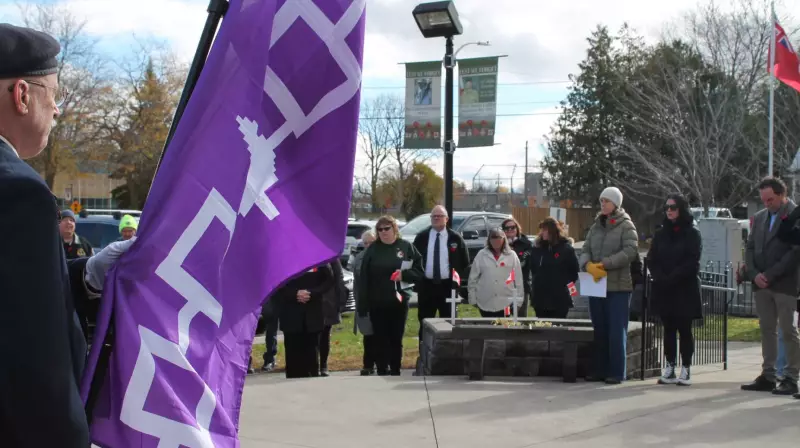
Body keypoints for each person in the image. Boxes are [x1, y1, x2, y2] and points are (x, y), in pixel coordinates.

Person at [0, 23, 134, 447]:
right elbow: (34, 356)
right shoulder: (17, 190)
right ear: (22, 95)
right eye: (53, 94)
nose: (57, 110)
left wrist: (85, 274)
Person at [741, 177, 800, 397]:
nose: (767, 204)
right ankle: (769, 375)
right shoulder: (759, 217)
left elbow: (794, 252)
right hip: (761, 285)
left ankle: (791, 377)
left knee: (788, 331)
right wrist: (754, 274)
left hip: (785, 284)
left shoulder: (794, 214)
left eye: (771, 199)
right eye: (764, 200)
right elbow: (749, 248)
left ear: (782, 194)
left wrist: (770, 274)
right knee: (767, 330)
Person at [579, 187, 639, 384]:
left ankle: (616, 371)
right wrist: (587, 264)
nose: (603, 204)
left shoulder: (626, 225)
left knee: (616, 331)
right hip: (596, 283)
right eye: (601, 201)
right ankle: (599, 369)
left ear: (616, 204)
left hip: (617, 287)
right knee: (600, 329)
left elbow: (630, 250)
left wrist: (606, 263)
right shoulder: (596, 226)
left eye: (606, 201)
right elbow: (586, 248)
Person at [647, 194, 702, 386]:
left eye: (673, 207)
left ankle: (686, 367)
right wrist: (660, 276)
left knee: (684, 329)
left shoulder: (692, 233)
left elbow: (692, 261)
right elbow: (652, 258)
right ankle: (669, 366)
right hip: (664, 288)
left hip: (684, 288)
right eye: (667, 208)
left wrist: (674, 276)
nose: (669, 211)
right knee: (668, 329)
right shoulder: (661, 233)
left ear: (681, 209)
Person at [358, 216, 424, 375]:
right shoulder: (373, 250)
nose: (383, 232)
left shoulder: (405, 247)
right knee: (380, 336)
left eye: (386, 228)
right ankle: (382, 368)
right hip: (377, 301)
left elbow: (419, 271)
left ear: (394, 229)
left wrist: (404, 275)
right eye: (380, 229)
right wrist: (363, 303)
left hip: (399, 300)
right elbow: (364, 277)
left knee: (396, 336)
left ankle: (395, 368)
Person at [412, 205, 470, 338]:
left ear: (446, 219)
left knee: (449, 323)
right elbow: (412, 260)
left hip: (447, 287)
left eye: (440, 216)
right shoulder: (422, 237)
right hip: (426, 287)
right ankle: (424, 349)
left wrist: (456, 281)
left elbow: (464, 262)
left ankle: (448, 350)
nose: (436, 218)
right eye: (434, 216)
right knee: (425, 323)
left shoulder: (455, 238)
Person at [275, 263, 335, 378]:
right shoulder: (283, 259)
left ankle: (312, 373)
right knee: (293, 347)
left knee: (312, 346)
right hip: (290, 311)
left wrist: (312, 293)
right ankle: (294, 374)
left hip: (313, 310)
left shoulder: (319, 258)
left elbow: (329, 280)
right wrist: (295, 294)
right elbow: (277, 283)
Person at [467, 227, 524, 318]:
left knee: (504, 325)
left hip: (506, 302)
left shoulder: (512, 255)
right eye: (493, 238)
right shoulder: (481, 254)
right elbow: (472, 279)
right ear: (489, 240)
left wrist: (519, 301)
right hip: (485, 302)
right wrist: (472, 298)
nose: (496, 241)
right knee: (487, 326)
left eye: (499, 237)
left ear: (504, 239)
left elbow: (518, 280)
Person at [530, 217, 579, 319]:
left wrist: (565, 286)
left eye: (545, 230)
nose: (542, 233)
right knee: (542, 327)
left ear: (552, 231)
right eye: (541, 230)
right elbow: (533, 269)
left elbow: (574, 272)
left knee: (558, 327)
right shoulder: (537, 248)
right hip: (540, 298)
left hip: (560, 298)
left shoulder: (566, 250)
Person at [349, 229, 378, 375]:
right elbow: (356, 284)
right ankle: (368, 365)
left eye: (371, 242)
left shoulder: (382, 257)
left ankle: (383, 364)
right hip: (365, 303)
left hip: (380, 302)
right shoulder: (359, 258)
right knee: (368, 335)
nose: (368, 246)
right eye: (365, 243)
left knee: (381, 335)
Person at [319, 258, 347, 377]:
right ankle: (312, 364)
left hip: (328, 302)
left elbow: (339, 277)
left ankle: (323, 365)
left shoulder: (331, 256)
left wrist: (341, 301)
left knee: (324, 334)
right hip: (310, 300)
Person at [502, 217, 534, 317]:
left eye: (512, 227)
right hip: (504, 287)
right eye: (507, 228)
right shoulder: (499, 244)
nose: (510, 230)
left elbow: (528, 263)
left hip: (522, 285)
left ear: (517, 228)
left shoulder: (527, 244)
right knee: (504, 317)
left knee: (521, 317)